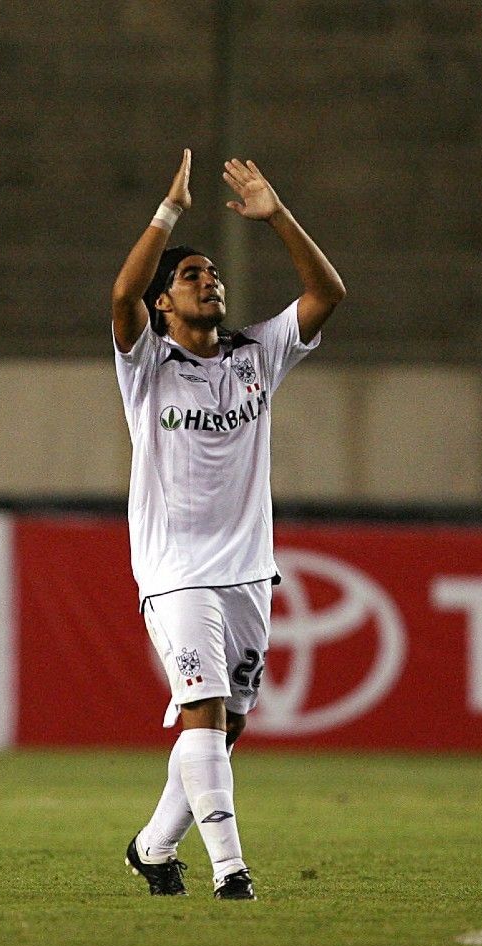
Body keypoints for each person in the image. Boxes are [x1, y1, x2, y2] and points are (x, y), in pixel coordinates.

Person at [112, 151, 344, 900]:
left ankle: (152, 846)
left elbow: (327, 292)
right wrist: (167, 213)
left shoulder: (256, 355)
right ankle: (230, 870)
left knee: (224, 727)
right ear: (164, 307)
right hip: (177, 571)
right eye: (191, 276)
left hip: (249, 570)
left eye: (213, 274)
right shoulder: (147, 364)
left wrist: (276, 214)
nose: (209, 280)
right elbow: (121, 294)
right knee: (205, 711)